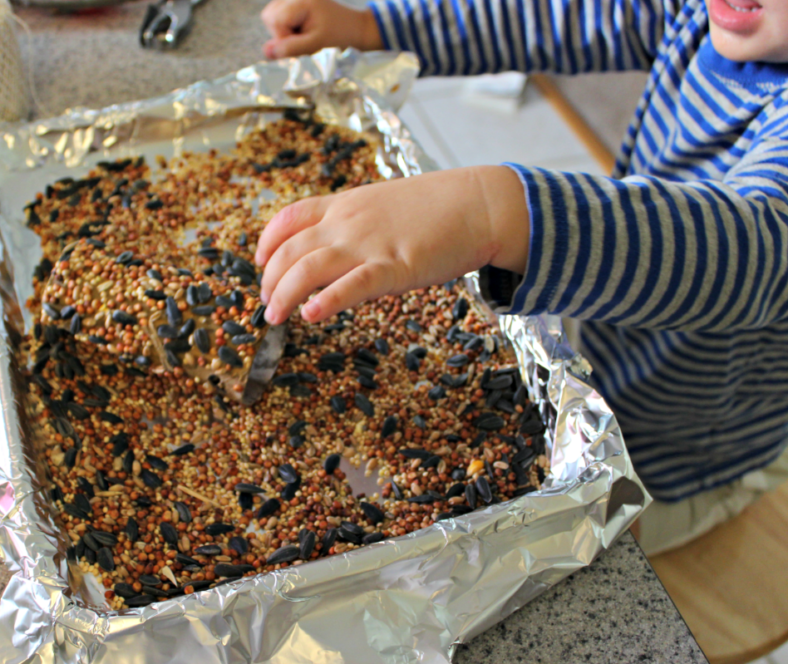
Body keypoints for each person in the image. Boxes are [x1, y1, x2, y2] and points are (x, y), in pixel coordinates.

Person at [255, 0, 788, 555]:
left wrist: (488, 211)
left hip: (689, 443)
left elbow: (753, 254)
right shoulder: (709, 13)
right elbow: (564, 17)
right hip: (621, 342)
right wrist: (376, 28)